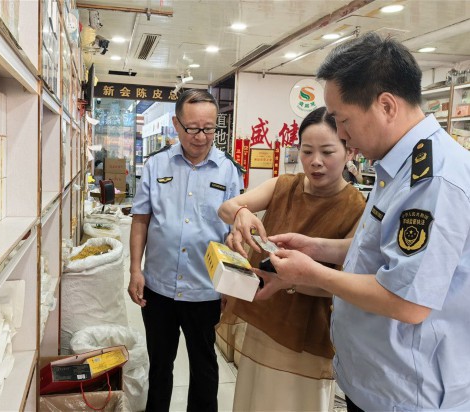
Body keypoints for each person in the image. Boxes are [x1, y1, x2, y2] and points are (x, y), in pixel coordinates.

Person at [257, 32, 470, 411]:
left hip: (408, 395)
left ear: (386, 105)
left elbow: (407, 301)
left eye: (343, 120)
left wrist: (312, 274)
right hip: (375, 382)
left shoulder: (433, 180)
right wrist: (317, 248)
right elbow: (383, 251)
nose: (341, 134)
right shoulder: (397, 167)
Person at [217, 106, 366, 411]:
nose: (315, 161)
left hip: (307, 332)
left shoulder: (356, 206)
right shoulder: (284, 185)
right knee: (255, 398)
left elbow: (345, 285)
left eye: (327, 152)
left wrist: (291, 281)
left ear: (349, 151)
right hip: (264, 317)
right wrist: (241, 213)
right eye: (307, 151)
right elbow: (226, 208)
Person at [128, 89, 244, 412]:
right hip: (159, 288)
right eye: (192, 128)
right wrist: (135, 269)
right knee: (160, 366)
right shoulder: (156, 165)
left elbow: (234, 233)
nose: (201, 137)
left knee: (204, 368)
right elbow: (140, 220)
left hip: (205, 290)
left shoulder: (228, 170)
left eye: (209, 128)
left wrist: (232, 285)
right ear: (176, 124)